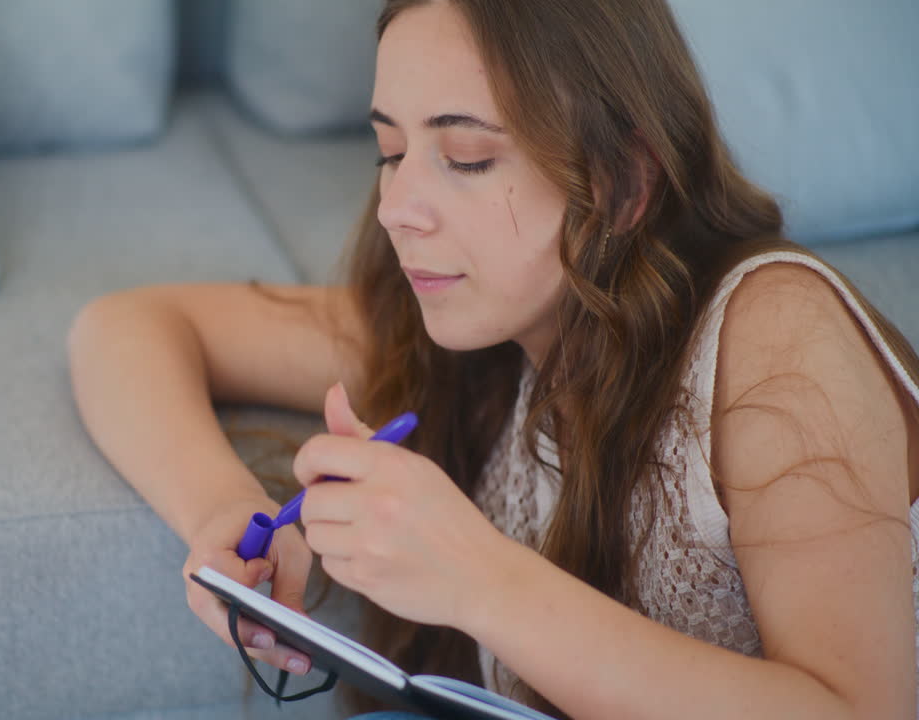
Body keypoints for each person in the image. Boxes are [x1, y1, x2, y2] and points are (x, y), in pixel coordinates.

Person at [67, 0, 919, 717]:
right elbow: (123, 330)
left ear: (621, 184)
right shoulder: (482, 325)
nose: (397, 208)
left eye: (465, 157)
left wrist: (478, 578)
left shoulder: (776, 337)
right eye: (390, 152)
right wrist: (223, 509)